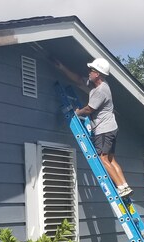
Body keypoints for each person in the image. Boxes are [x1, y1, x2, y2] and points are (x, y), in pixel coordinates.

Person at [54, 57, 133, 198]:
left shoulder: (100, 91)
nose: (89, 72)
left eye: (91, 70)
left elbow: (89, 109)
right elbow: (79, 79)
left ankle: (120, 187)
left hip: (104, 129)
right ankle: (124, 185)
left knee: (102, 159)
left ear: (97, 74)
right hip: (111, 128)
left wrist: (76, 112)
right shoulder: (100, 85)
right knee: (110, 159)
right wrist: (62, 67)